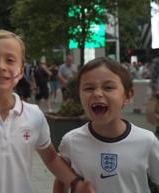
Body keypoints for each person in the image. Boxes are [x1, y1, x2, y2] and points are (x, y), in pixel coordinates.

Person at [0, 30, 94, 193]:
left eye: (10, 60)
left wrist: (75, 183)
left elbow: (50, 158)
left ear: (21, 71)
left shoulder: (34, 115)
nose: (1, 67)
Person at [53, 57, 159, 193]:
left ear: (127, 95)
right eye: (89, 88)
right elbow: (61, 180)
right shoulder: (71, 141)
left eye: (108, 87)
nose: (97, 93)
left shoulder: (147, 141)